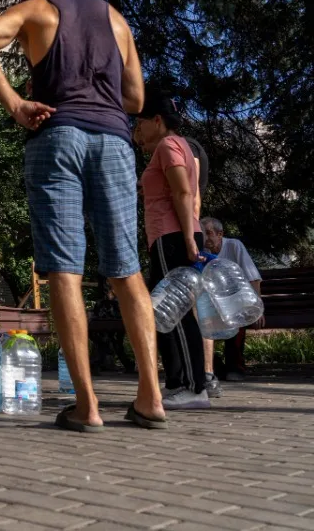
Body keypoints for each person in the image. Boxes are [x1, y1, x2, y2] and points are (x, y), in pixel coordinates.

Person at [0, 0, 167, 431]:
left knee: (64, 270)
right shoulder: (115, 19)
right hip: (115, 143)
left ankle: (88, 407)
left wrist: (15, 103)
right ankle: (151, 398)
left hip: (58, 137)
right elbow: (136, 98)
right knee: (126, 270)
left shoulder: (39, 9)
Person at [136, 95, 210, 409]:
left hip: (173, 236)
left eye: (140, 123)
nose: (136, 130)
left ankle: (196, 389)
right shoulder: (176, 146)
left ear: (157, 120)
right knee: (163, 312)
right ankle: (179, 382)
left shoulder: (168, 146)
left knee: (176, 313)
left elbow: (182, 191)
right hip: (170, 237)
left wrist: (190, 241)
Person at [201, 217, 263, 381]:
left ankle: (235, 367)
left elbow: (253, 278)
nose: (206, 239)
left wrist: (257, 309)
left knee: (237, 319)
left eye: (209, 233)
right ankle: (214, 367)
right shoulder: (200, 253)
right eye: (202, 234)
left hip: (236, 301)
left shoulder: (234, 246)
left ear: (220, 234)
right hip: (213, 304)